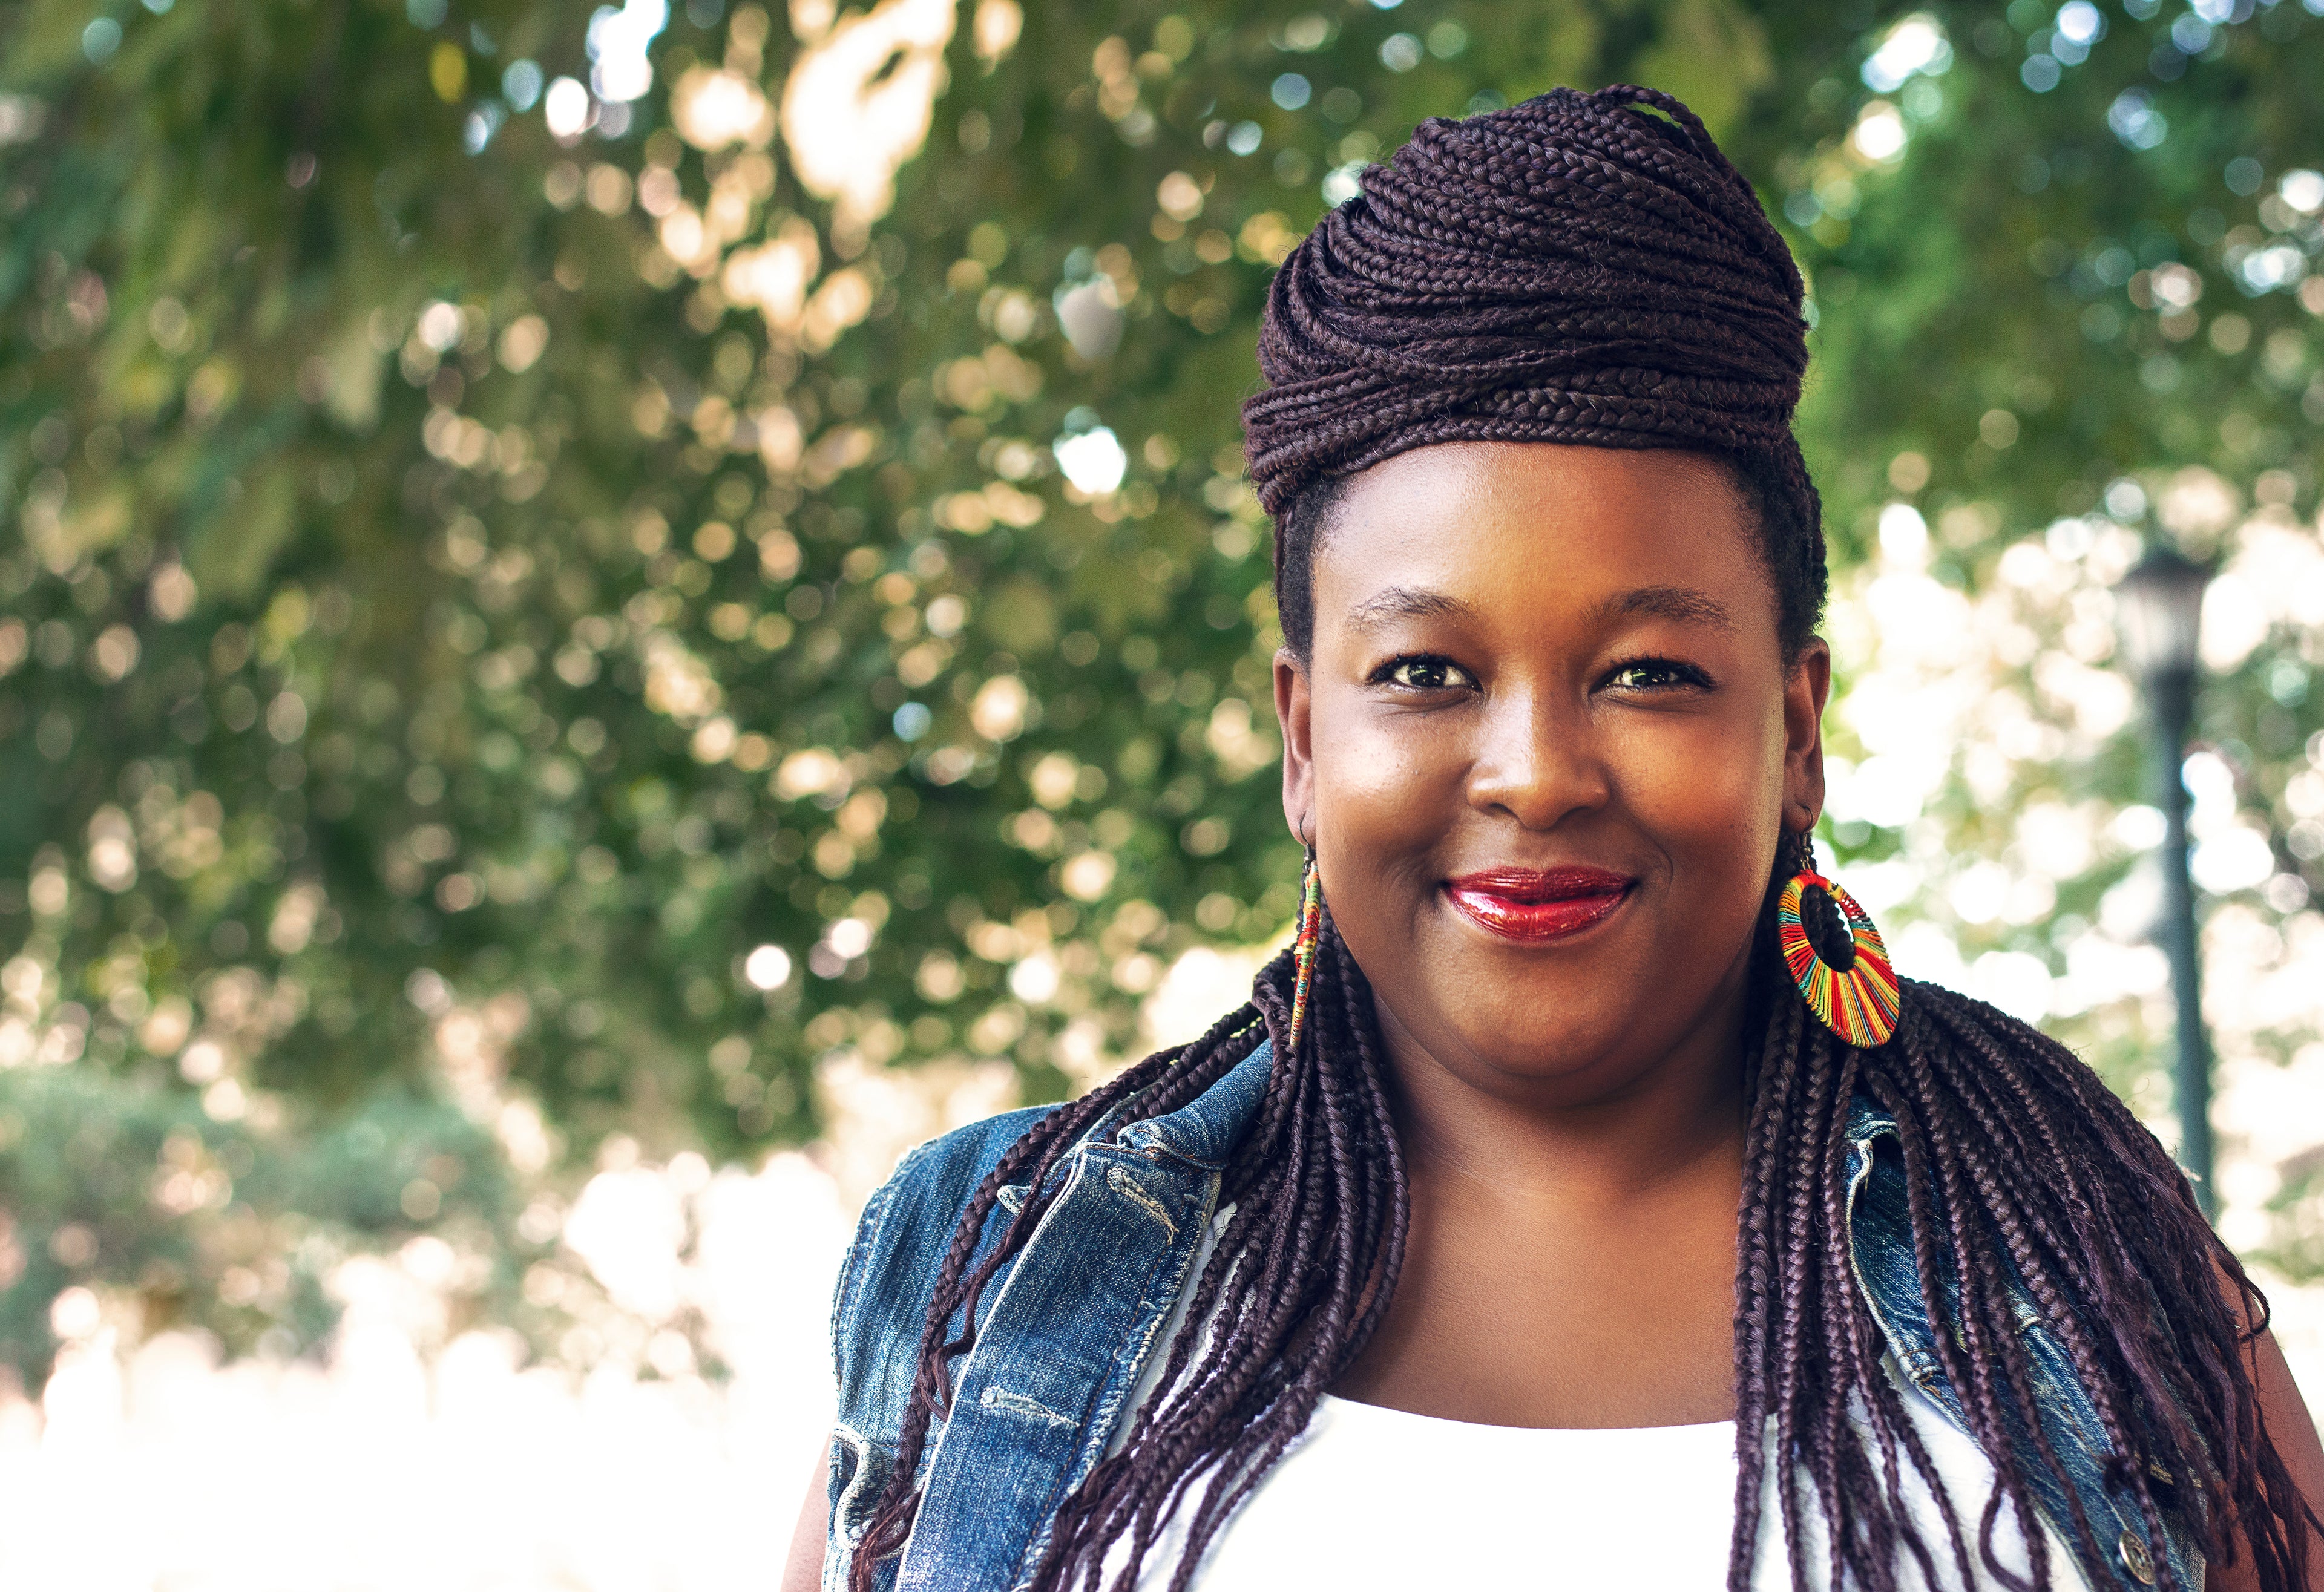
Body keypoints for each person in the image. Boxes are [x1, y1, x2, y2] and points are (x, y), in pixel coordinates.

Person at [782, 85, 2324, 1592]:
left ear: (1796, 730)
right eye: (1426, 674)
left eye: (1649, 671)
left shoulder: (2071, 1240)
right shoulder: (995, 1270)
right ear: (1305, 739)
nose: (1536, 773)